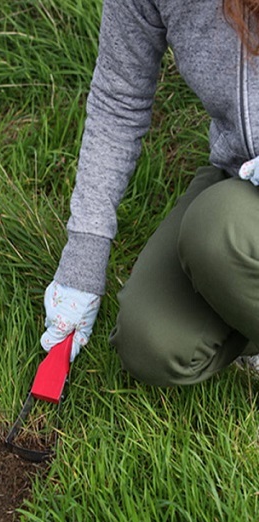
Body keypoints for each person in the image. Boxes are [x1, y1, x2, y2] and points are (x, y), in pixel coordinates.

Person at [41, 0, 259, 387]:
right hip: (241, 174)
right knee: (152, 342)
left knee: (217, 232)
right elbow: (118, 101)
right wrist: (83, 260)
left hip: (231, 215)